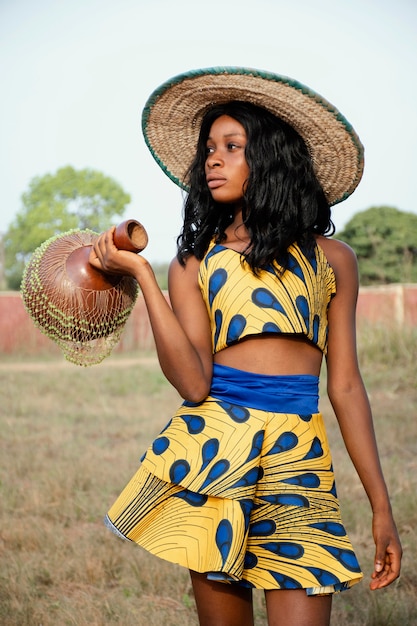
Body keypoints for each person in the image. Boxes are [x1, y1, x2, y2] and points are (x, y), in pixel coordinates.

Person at [89, 68, 402, 626]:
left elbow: (347, 386)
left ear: (272, 160)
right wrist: (142, 272)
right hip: (215, 457)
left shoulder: (333, 260)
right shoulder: (195, 262)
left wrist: (381, 507)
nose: (213, 159)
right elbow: (193, 383)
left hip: (299, 461)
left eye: (232, 147)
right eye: (209, 148)